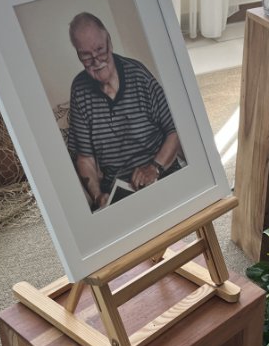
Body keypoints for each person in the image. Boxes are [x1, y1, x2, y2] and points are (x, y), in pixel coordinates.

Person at [66, 12, 184, 210]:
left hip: (160, 174)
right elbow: (85, 158)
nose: (96, 60)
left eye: (100, 50)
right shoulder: (79, 90)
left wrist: (155, 168)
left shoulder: (138, 75)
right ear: (79, 56)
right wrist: (97, 195)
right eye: (86, 55)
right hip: (118, 190)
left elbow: (175, 129)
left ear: (109, 42)